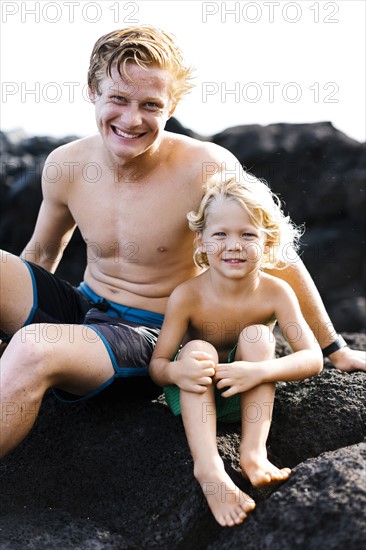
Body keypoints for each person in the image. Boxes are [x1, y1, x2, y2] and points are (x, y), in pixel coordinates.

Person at [0, 25, 364, 459]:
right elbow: (41, 255)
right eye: (118, 98)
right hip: (83, 305)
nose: (131, 119)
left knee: (33, 346)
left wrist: (334, 348)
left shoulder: (207, 168)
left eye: (150, 105)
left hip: (149, 335)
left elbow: (274, 253)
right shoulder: (66, 164)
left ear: (171, 105)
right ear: (93, 90)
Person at [149, 177, 323, 527]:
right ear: (200, 240)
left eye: (248, 235)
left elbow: (313, 358)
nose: (234, 246)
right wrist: (176, 372)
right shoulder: (187, 295)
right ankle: (209, 468)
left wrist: (258, 371)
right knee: (197, 348)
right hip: (197, 394)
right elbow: (158, 365)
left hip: (245, 391)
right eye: (220, 234)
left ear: (268, 241)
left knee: (259, 336)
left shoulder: (277, 292)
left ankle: (253, 452)